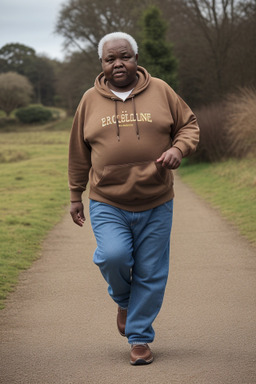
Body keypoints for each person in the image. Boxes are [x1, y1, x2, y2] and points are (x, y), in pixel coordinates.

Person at [69, 32, 199, 365]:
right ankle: (124, 300)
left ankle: (139, 338)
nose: (118, 64)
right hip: (107, 201)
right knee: (113, 256)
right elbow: (78, 153)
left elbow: (189, 125)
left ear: (136, 58)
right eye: (110, 59)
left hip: (156, 200)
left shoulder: (162, 91)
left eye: (124, 56)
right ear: (102, 64)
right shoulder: (89, 101)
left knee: (151, 271)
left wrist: (177, 149)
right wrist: (75, 195)